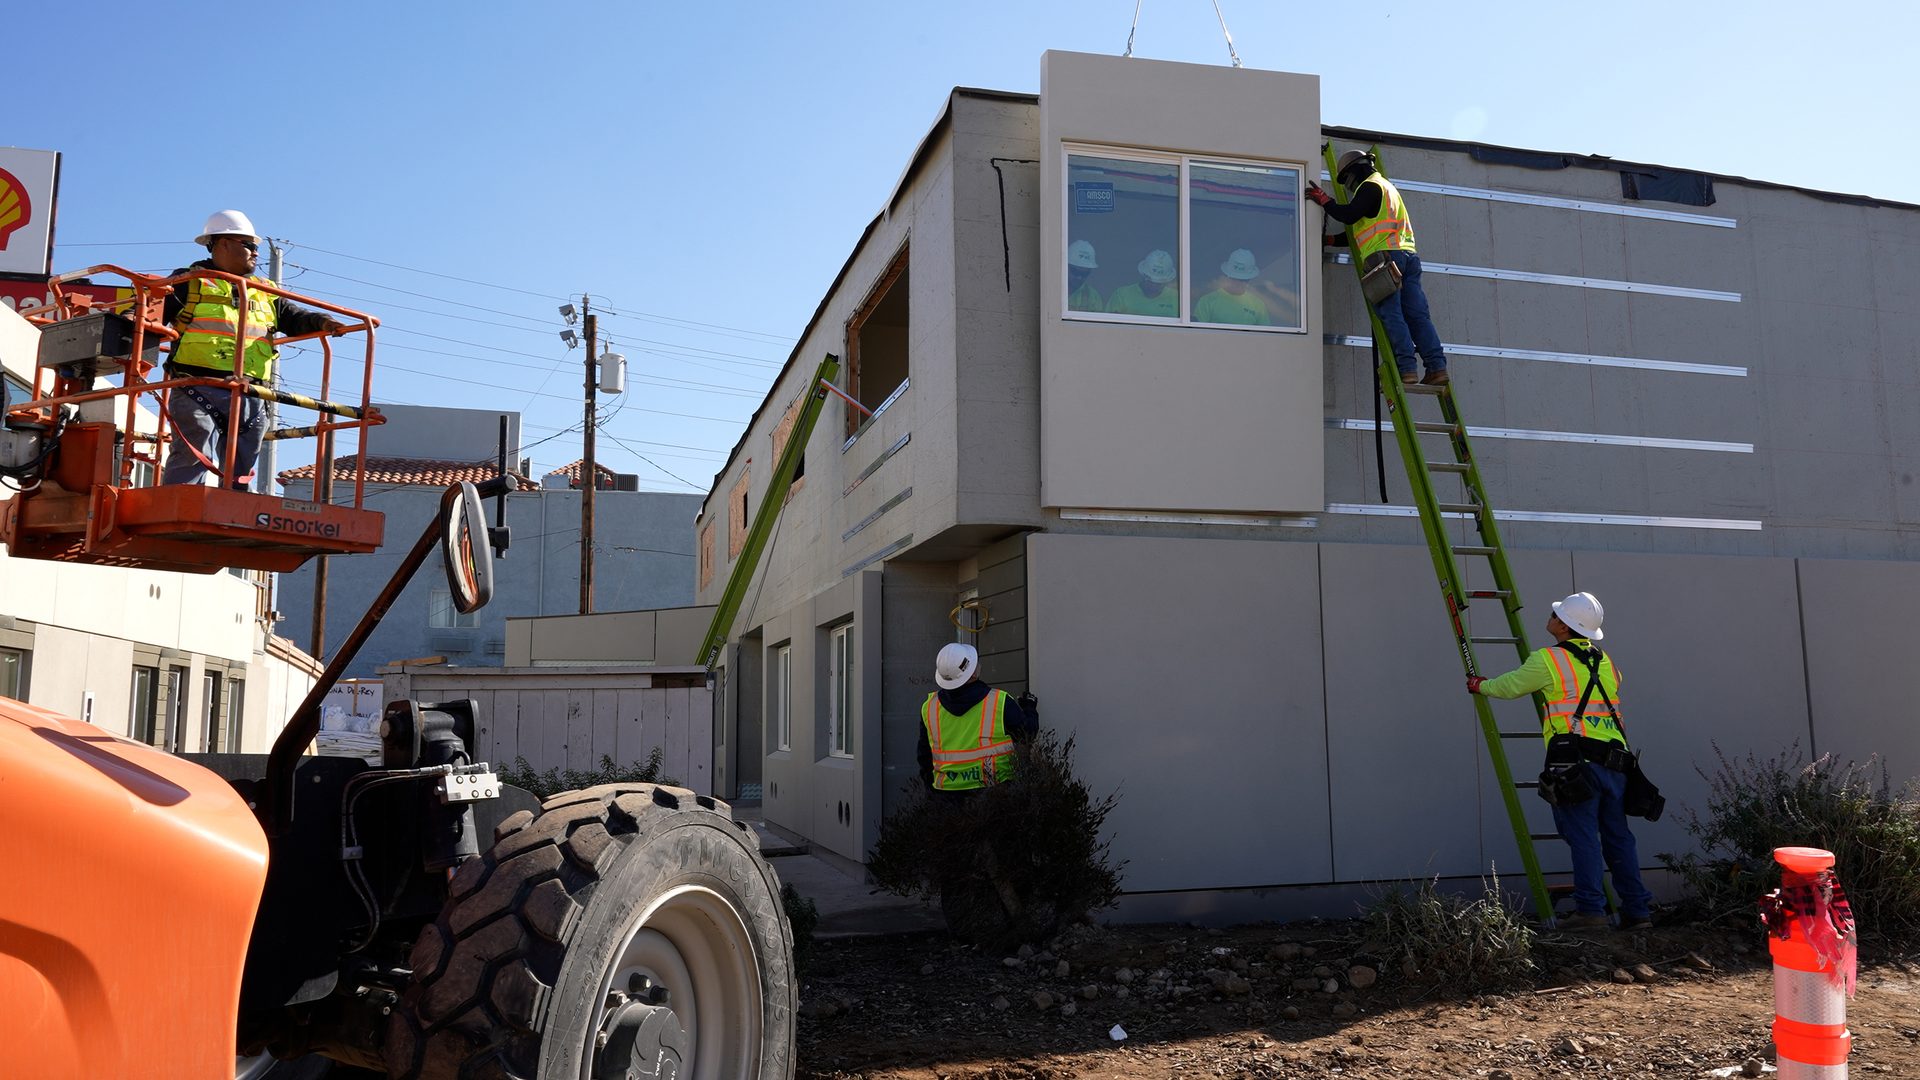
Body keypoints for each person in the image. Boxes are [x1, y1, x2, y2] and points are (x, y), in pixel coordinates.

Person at [1468, 591, 1654, 931]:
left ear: (1564, 626)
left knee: (1582, 835)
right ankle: (1638, 911)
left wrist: (1481, 685)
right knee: (1618, 837)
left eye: (1556, 615)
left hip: (1576, 763)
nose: (1551, 618)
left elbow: (1511, 687)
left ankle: (1591, 912)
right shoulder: (1607, 662)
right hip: (1616, 763)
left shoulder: (1548, 660)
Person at [161, 209, 346, 488]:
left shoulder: (266, 290)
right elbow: (149, 314)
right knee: (193, 452)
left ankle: (233, 513)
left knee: (243, 464)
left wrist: (322, 321)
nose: (256, 253)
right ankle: (177, 506)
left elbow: (293, 317)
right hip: (196, 385)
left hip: (251, 391)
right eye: (249, 245)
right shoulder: (188, 282)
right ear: (222, 244)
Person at [1306, 150, 1450, 386]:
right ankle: (1437, 368)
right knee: (1417, 316)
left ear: (1354, 171)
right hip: (1407, 257)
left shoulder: (1369, 187)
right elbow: (1362, 228)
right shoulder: (1387, 189)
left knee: (1391, 313)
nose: (1350, 188)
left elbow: (1350, 215)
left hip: (1384, 260)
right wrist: (1332, 241)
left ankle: (1407, 370)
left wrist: (1325, 201)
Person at [918, 642, 1035, 801]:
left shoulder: (929, 707)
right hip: (994, 797)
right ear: (971, 673)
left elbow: (924, 756)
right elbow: (1028, 733)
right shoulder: (999, 702)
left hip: (946, 800)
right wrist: (1029, 708)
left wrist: (932, 793)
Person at [1192, 248, 1272, 326]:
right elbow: (1195, 335)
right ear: (1227, 275)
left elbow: (1267, 338)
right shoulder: (1207, 302)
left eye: (1243, 279)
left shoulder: (1258, 306)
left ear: (1249, 279)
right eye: (1234, 278)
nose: (1238, 283)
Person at [1105, 249, 1178, 318]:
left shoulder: (1176, 298)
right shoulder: (1122, 295)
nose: (1154, 286)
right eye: (1150, 281)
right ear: (1143, 275)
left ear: (1167, 280)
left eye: (1159, 283)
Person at [1066, 240, 1103, 312]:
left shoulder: (1093, 297)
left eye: (1084, 274)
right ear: (1066, 266)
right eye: (1075, 271)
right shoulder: (1055, 290)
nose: (1079, 277)